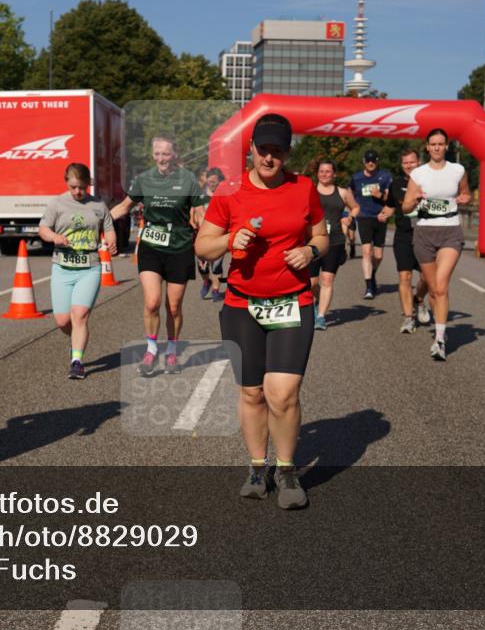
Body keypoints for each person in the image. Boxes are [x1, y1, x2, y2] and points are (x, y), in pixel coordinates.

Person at [195, 114, 328, 510]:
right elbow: (203, 247)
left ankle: (286, 470)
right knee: (252, 393)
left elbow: (323, 233)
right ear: (250, 148)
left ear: (288, 152)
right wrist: (231, 239)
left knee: (282, 393)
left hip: (292, 301)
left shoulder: (303, 188)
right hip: (241, 303)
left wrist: (311, 251)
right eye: (262, 149)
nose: (269, 158)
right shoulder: (229, 192)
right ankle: (258, 467)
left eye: (277, 151)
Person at [111, 136, 205, 375]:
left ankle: (172, 349)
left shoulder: (188, 180)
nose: (161, 159)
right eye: (157, 154)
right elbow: (124, 207)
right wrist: (98, 221)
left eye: (166, 154)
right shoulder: (144, 179)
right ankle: (152, 349)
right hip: (151, 246)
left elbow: (201, 214)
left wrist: (205, 245)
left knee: (173, 307)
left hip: (180, 247)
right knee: (152, 302)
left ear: (175, 155)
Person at [38, 163, 117, 380]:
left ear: (88, 184)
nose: (77, 192)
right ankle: (76, 340)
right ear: (66, 183)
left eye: (81, 187)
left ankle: (77, 361)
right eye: (73, 187)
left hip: (89, 268)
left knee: (80, 315)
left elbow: (108, 228)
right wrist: (54, 237)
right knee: (63, 321)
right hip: (62, 268)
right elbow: (43, 228)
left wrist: (111, 241)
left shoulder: (98, 205)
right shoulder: (57, 203)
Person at [403, 128, 472, 361]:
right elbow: (405, 208)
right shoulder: (418, 174)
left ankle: (440, 340)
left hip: (451, 231)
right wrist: (415, 199)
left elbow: (466, 193)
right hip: (424, 233)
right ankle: (419, 299)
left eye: (441, 144)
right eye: (433, 144)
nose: (437, 148)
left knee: (441, 286)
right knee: (432, 286)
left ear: (447, 146)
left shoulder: (457, 170)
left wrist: (465, 198)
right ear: (427, 146)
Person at [380, 149, 431, 333]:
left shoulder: (429, 180)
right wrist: (384, 214)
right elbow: (391, 206)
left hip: (425, 235)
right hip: (403, 235)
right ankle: (408, 318)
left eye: (412, 162)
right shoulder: (397, 183)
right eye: (405, 163)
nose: (408, 166)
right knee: (404, 276)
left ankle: (418, 299)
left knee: (427, 278)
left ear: (419, 162)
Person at [307, 159, 359, 330]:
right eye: (321, 171)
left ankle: (321, 316)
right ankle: (317, 301)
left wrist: (350, 217)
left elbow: (355, 207)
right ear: (317, 173)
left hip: (335, 241)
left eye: (328, 171)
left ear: (334, 174)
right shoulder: (309, 191)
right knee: (311, 283)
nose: (324, 174)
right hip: (313, 240)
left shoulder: (343, 193)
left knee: (328, 279)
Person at [349, 149, 392, 299]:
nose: (370, 163)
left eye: (373, 160)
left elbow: (390, 198)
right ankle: (368, 286)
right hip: (364, 217)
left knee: (378, 255)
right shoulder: (356, 178)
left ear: (377, 161)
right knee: (367, 252)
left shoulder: (385, 176)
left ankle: (372, 274)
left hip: (380, 217)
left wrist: (380, 196)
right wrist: (352, 212)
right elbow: (350, 195)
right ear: (364, 161)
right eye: (368, 160)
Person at [196, 167, 226, 301]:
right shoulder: (201, 196)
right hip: (202, 235)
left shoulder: (224, 196)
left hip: (220, 236)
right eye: (210, 181)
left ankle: (215, 290)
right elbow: (194, 212)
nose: (212, 184)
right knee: (202, 267)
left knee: (217, 265)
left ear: (220, 181)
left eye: (215, 182)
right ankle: (206, 281)